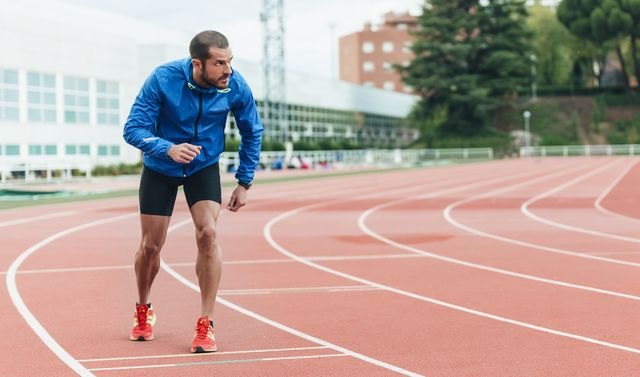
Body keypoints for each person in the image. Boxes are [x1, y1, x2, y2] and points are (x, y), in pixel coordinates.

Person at [123, 30, 263, 353]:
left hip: (202, 166)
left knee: (208, 234)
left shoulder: (234, 85)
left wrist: (244, 182)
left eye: (230, 61)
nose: (228, 70)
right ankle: (143, 308)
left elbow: (251, 130)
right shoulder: (163, 79)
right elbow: (132, 129)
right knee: (150, 246)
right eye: (219, 63)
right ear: (197, 64)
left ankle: (206, 322)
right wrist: (167, 149)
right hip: (161, 167)